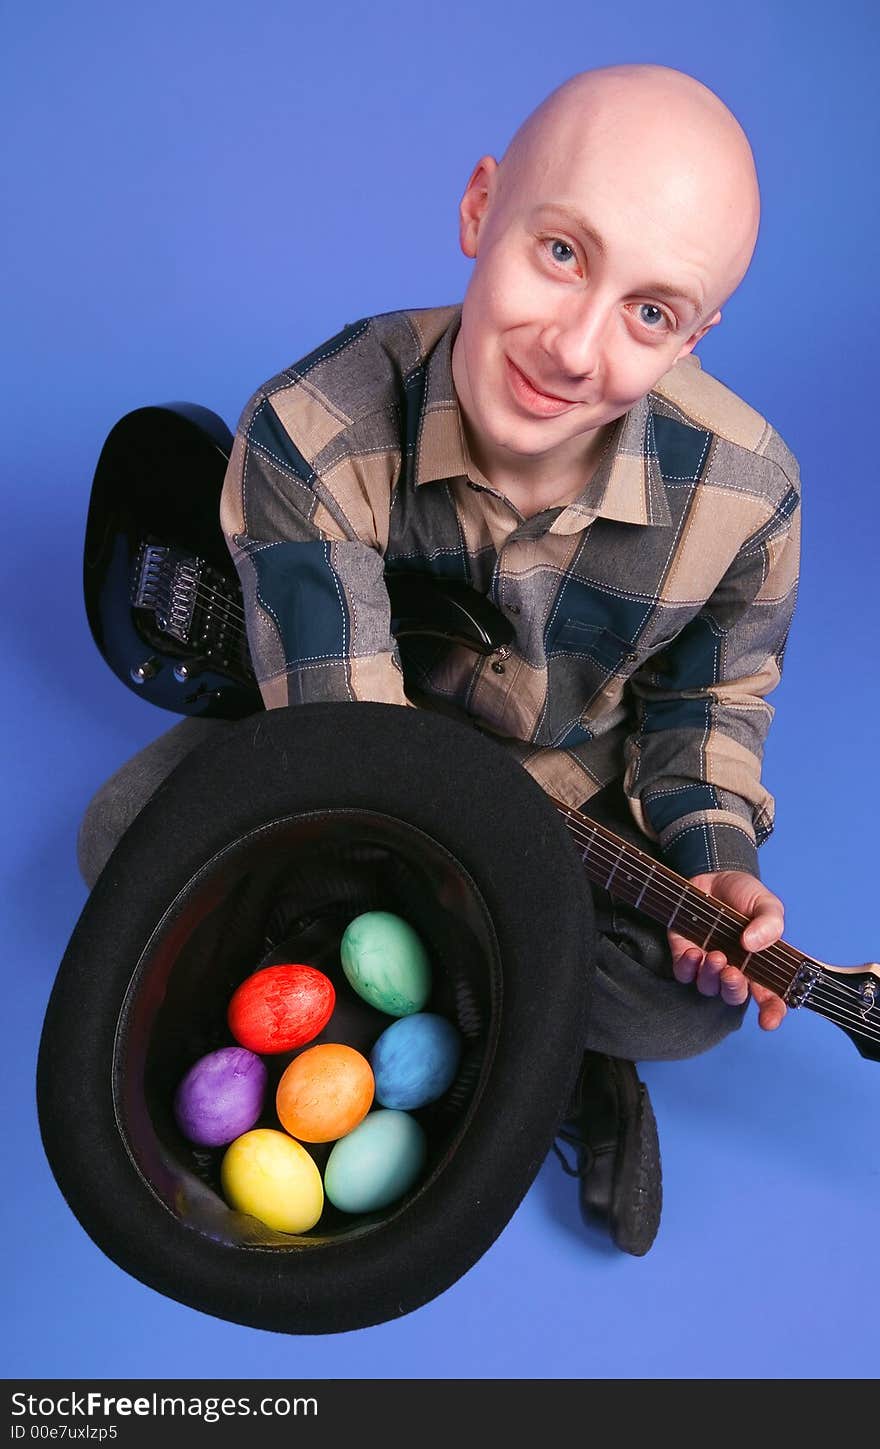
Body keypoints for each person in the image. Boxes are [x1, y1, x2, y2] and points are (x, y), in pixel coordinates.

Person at [77, 62, 801, 1257]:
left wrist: (704, 858)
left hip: (565, 786)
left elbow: (708, 702)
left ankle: (520, 1037)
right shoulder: (315, 425)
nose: (574, 347)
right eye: (560, 252)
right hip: (334, 722)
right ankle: (513, 1032)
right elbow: (351, 758)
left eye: (651, 312)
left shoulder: (747, 491)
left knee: (690, 1009)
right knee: (118, 834)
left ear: (694, 337)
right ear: (480, 210)